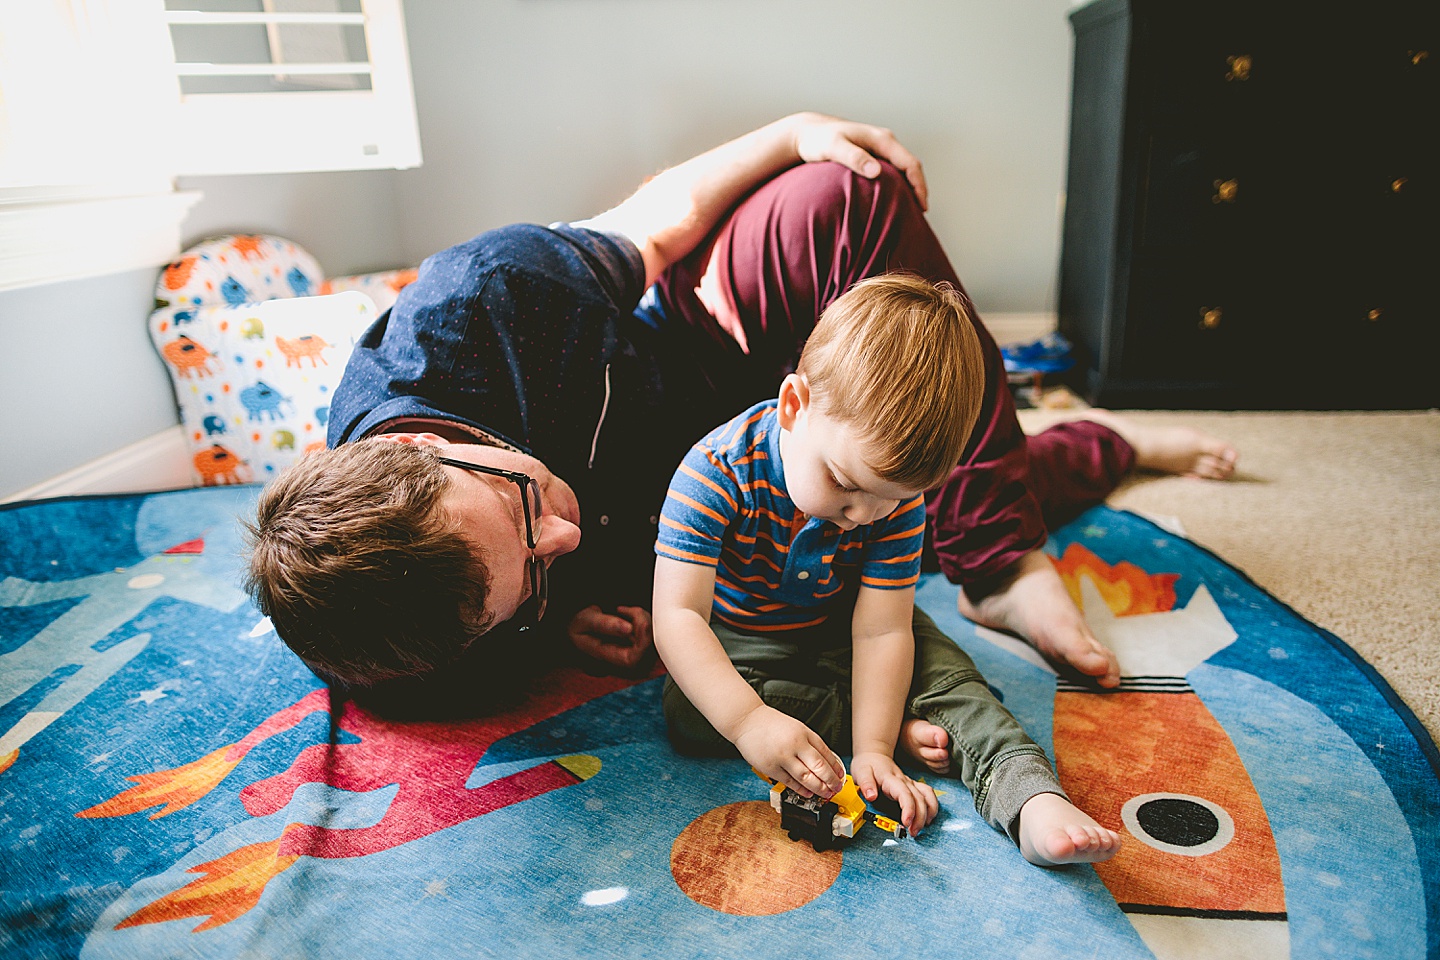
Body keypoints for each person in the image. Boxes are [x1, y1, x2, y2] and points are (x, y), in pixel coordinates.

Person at [245, 111, 1236, 703]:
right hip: (682, 534)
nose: (560, 532)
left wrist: (791, 130)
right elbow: (528, 589)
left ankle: (1002, 560)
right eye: (529, 579)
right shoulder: (410, 649)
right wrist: (565, 619)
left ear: (427, 448)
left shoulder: (482, 301)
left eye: (519, 511)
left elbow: (658, 224)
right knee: (875, 502)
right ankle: (1100, 446)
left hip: (694, 359)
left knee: (844, 190)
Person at [652, 273, 1121, 864]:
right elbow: (677, 619)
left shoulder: (893, 502)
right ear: (794, 407)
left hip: (857, 627)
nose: (864, 516)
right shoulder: (712, 473)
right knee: (692, 710)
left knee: (956, 683)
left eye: (890, 500)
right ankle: (895, 717)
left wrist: (873, 750)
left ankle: (1029, 797)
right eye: (845, 485)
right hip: (747, 640)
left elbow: (882, 629)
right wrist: (749, 721)